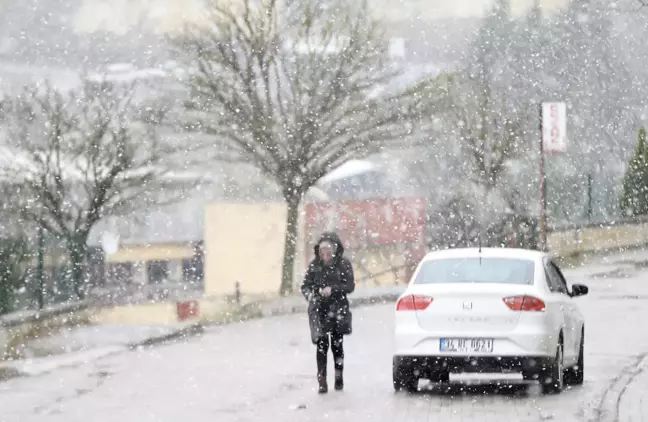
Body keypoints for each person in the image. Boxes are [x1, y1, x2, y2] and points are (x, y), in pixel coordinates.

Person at [301, 232, 355, 394]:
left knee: (337, 345)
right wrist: (314, 293)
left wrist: (334, 289)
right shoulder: (314, 266)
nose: (325, 256)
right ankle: (322, 379)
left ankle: (339, 377)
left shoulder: (344, 265)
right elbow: (305, 287)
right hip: (320, 311)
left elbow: (350, 286)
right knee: (321, 346)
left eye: (328, 252)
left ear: (335, 250)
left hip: (338, 309)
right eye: (322, 252)